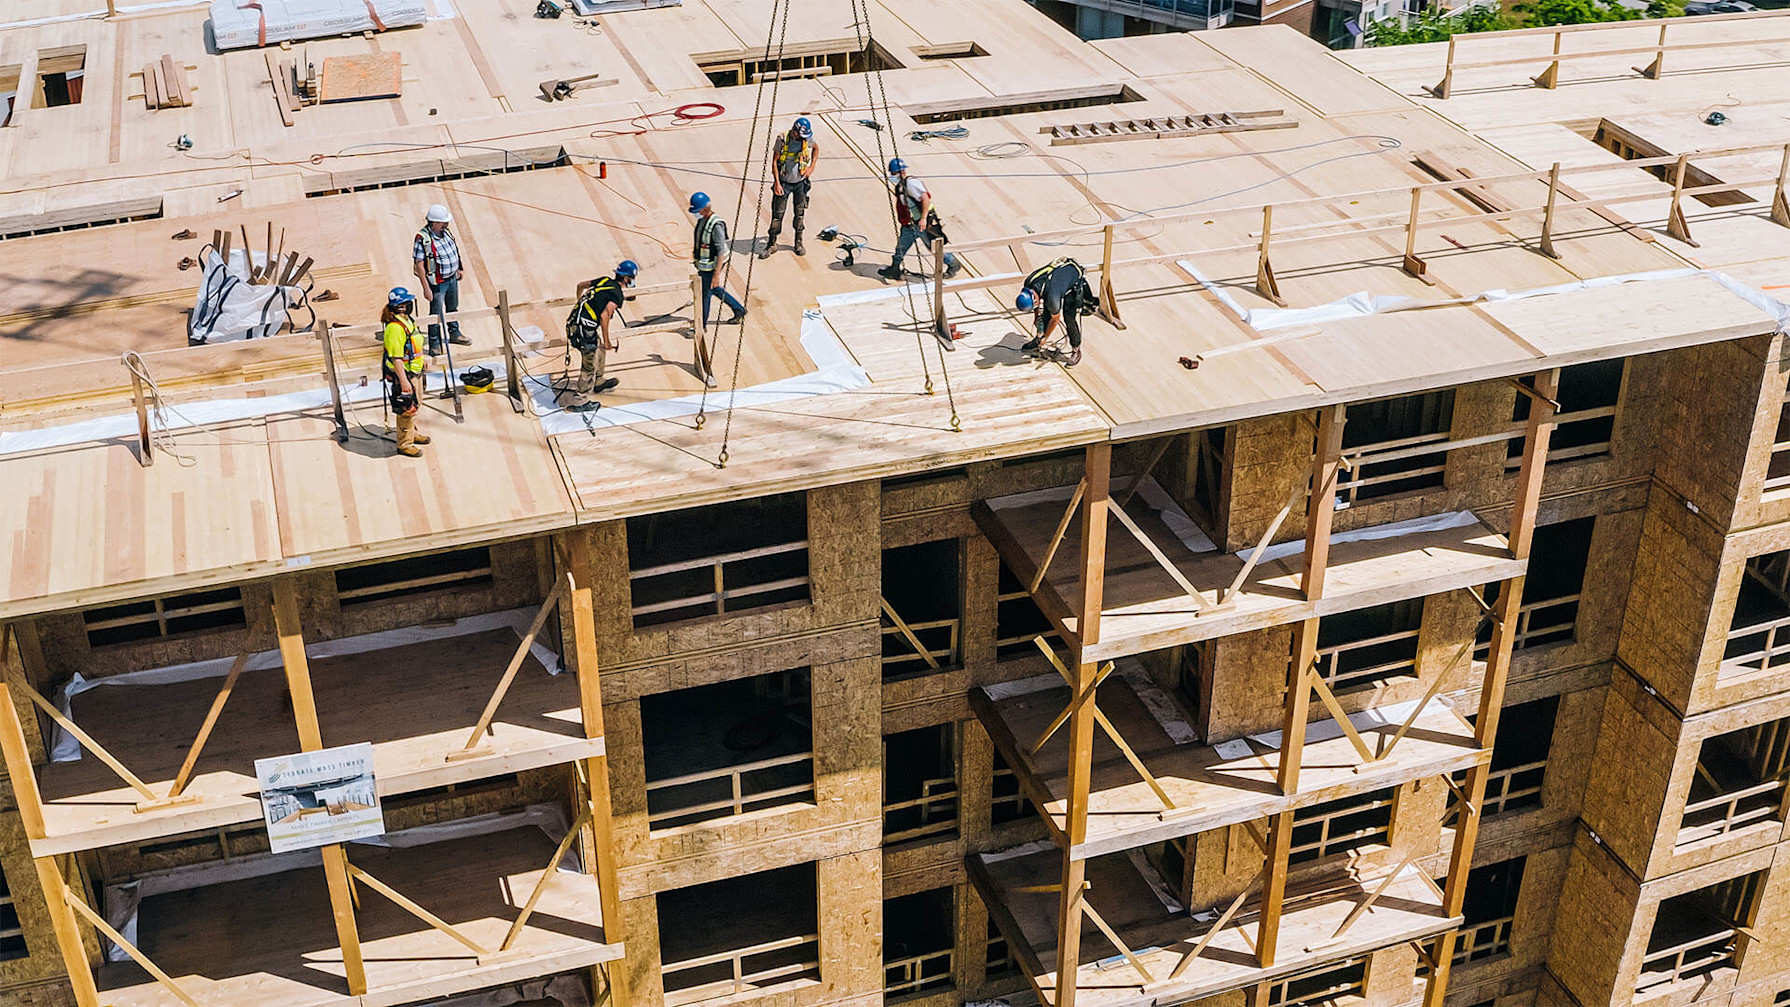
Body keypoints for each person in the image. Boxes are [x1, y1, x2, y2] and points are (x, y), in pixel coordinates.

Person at [565, 260, 637, 406]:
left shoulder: (604, 280)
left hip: (576, 324)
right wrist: (608, 341)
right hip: (583, 330)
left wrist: (580, 305)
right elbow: (605, 316)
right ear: (626, 278)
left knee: (599, 349)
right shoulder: (616, 294)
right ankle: (580, 400)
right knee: (589, 364)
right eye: (632, 278)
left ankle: (598, 381)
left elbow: (580, 285)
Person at [878, 158, 960, 282]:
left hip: (923, 223)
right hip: (910, 224)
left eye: (894, 173)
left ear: (900, 172)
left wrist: (923, 218)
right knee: (901, 247)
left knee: (933, 247)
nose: (892, 176)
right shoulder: (901, 186)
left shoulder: (911, 183)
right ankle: (894, 269)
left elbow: (925, 199)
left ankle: (953, 265)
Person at [413, 203, 471, 354]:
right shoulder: (423, 238)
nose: (446, 224)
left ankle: (454, 333)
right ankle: (435, 343)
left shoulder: (446, 233)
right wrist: (426, 288)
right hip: (437, 283)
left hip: (452, 278)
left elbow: (453, 250)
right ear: (434, 222)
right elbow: (419, 265)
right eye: (443, 222)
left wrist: (459, 267)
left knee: (453, 308)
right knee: (436, 313)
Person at [1016, 257, 1093, 367]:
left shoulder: (1052, 298)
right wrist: (1037, 319)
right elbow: (1036, 306)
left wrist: (1045, 338)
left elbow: (1055, 319)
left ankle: (1076, 350)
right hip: (1057, 279)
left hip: (1073, 281)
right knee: (1045, 314)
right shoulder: (1029, 283)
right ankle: (1037, 340)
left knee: (1069, 318)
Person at [381, 287, 431, 457]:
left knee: (415, 405)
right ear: (396, 307)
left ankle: (411, 433)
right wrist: (403, 381)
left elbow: (413, 344)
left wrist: (421, 361)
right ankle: (404, 443)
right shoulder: (395, 328)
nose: (405, 307)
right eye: (401, 305)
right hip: (404, 374)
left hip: (414, 371)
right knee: (406, 409)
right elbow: (396, 358)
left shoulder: (408, 321)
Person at [761, 117, 817, 259]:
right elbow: (774, 162)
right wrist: (777, 184)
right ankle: (772, 243)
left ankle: (798, 242)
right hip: (784, 183)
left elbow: (816, 148)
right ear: (795, 132)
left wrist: (811, 167)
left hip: (800, 183)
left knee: (799, 214)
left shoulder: (806, 140)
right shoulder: (782, 139)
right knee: (777, 215)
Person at [690, 191, 747, 326]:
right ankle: (738, 309)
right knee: (712, 289)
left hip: (713, 266)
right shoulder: (702, 221)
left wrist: (716, 275)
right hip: (704, 266)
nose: (696, 214)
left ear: (706, 209)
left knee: (705, 294)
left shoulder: (716, 226)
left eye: (698, 210)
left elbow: (721, 251)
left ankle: (701, 325)